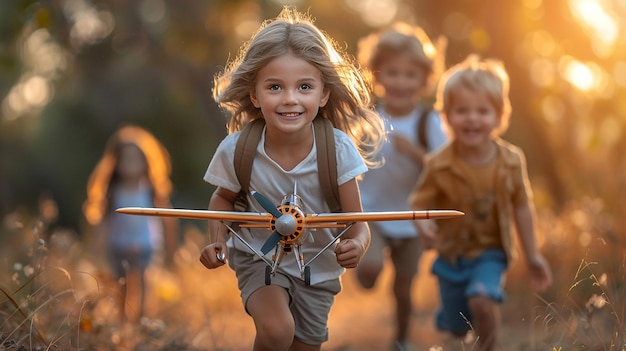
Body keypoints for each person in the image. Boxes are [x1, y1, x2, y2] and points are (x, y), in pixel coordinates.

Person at [198, 7, 385, 351]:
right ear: (254, 94)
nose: (290, 99)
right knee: (276, 331)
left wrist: (357, 246)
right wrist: (218, 242)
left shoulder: (338, 151)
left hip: (320, 270)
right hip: (259, 258)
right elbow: (222, 200)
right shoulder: (237, 150)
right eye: (274, 87)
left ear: (323, 94)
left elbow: (358, 224)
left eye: (304, 86)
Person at [409, 55, 553, 351]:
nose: (472, 118)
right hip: (451, 257)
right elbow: (419, 204)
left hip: (491, 253)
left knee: (481, 300)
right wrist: (425, 228)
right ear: (446, 117)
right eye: (462, 111)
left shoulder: (511, 161)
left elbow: (522, 207)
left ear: (500, 116)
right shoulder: (438, 164)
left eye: (482, 111)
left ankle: (488, 347)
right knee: (457, 324)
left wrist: (533, 254)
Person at [354, 22, 448, 351]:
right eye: (392, 73)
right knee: (370, 269)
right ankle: (366, 274)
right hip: (373, 212)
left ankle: (401, 339)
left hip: (413, 218)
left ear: (424, 79)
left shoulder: (430, 122)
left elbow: (446, 168)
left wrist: (417, 154)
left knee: (404, 287)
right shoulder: (368, 120)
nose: (401, 82)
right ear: (377, 76)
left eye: (410, 74)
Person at [83, 125, 178, 322]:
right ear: (115, 163)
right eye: (126, 159)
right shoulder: (112, 191)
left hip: (145, 245)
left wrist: (172, 248)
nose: (131, 164)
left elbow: (168, 218)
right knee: (121, 285)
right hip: (118, 246)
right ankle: (122, 320)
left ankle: (142, 319)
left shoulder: (150, 189)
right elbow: (102, 220)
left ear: (146, 161)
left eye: (136, 159)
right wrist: (96, 245)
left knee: (144, 282)